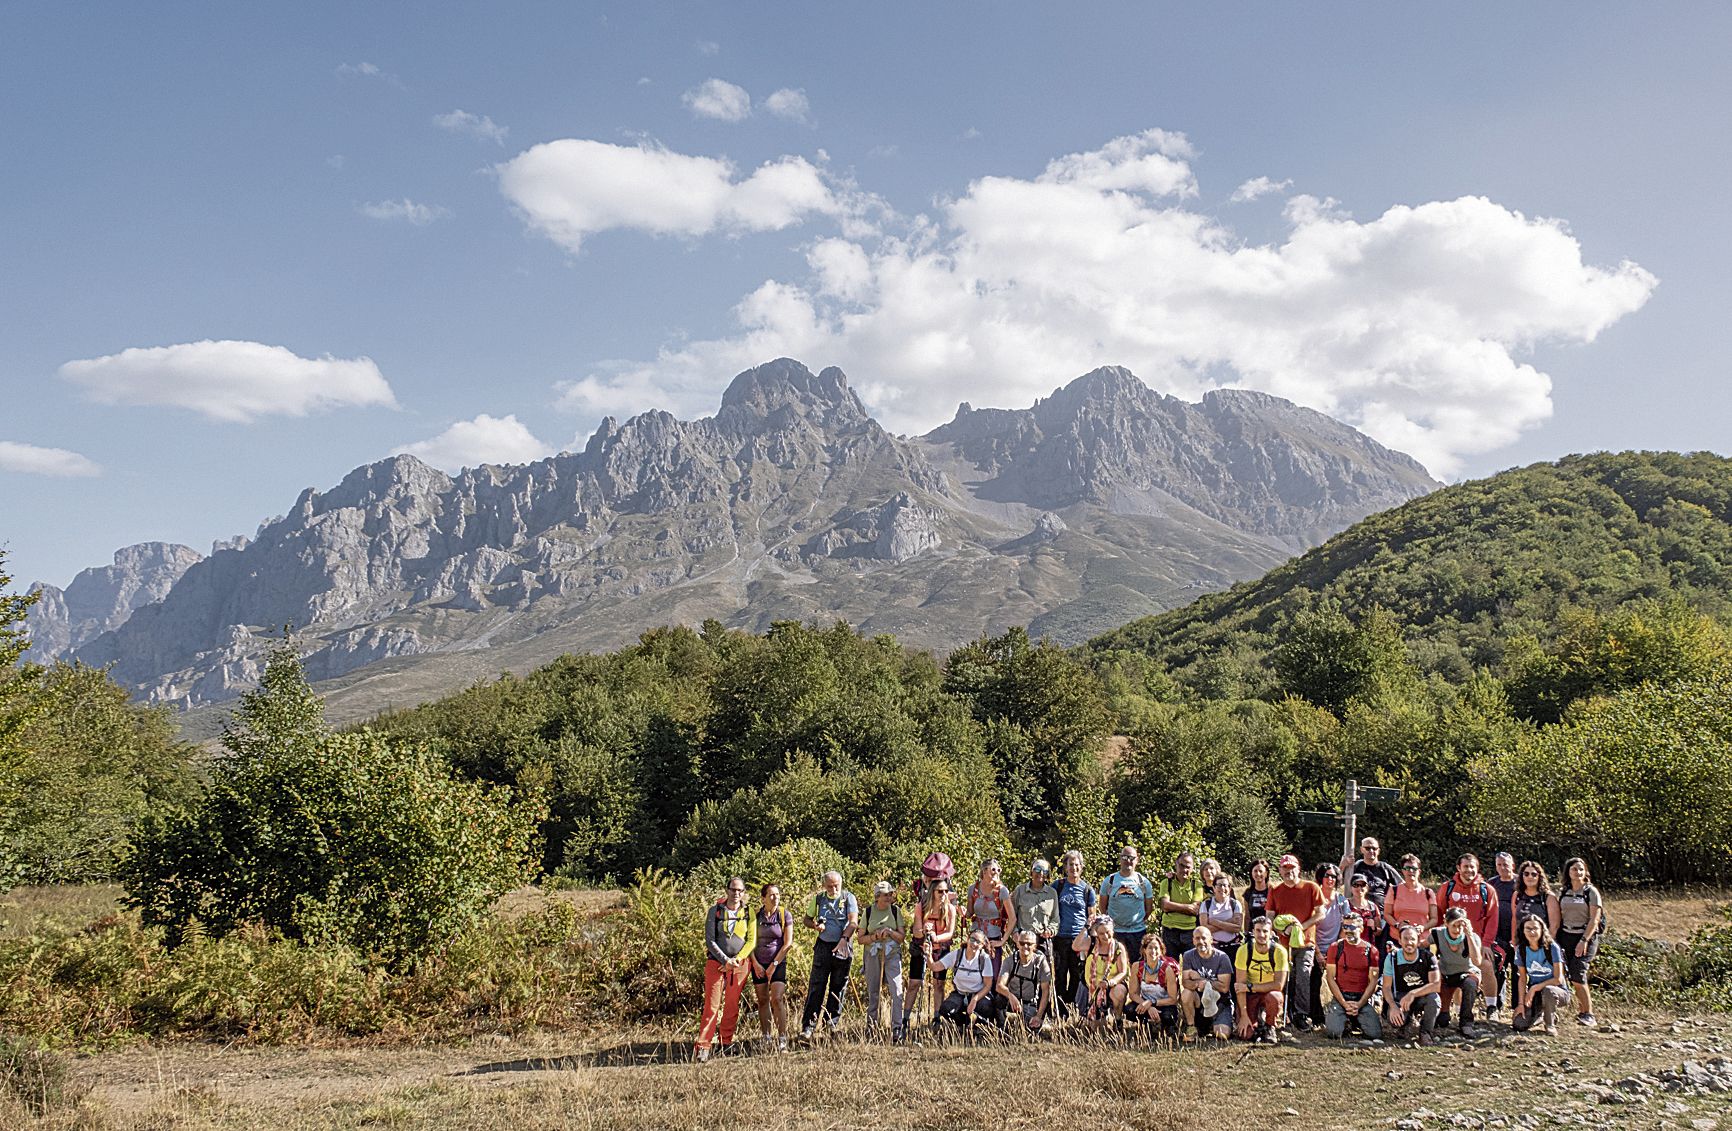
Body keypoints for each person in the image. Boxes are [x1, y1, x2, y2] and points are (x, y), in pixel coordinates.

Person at [696, 876, 756, 1062]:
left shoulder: (749, 912)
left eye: (740, 890)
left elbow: (751, 940)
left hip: (739, 965)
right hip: (716, 963)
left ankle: (726, 1042)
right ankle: (703, 1046)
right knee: (711, 1005)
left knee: (732, 1005)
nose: (736, 893)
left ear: (744, 892)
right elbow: (710, 940)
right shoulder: (715, 911)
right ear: (727, 890)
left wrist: (736, 960)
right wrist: (725, 960)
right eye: (733, 889)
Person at [1266, 853, 1325, 1031]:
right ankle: (1283, 1013)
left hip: (1305, 943)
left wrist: (1300, 927)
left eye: (1292, 868)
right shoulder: (1275, 891)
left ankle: (1301, 1015)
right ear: (1280, 870)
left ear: (1298, 869)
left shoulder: (1311, 887)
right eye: (1285, 868)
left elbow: (1320, 913)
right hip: (1282, 944)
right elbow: (1270, 916)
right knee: (1285, 979)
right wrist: (1281, 930)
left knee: (1303, 978)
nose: (1288, 871)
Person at [800, 870, 859, 1039]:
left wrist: (844, 939)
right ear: (824, 886)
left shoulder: (848, 898)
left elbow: (853, 922)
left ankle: (831, 1025)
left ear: (841, 884)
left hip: (843, 945)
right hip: (823, 946)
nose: (833, 889)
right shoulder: (819, 899)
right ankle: (808, 1027)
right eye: (829, 886)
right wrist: (815, 925)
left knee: (838, 987)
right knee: (816, 986)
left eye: (836, 886)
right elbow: (806, 919)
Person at [1437, 854, 1499, 1010]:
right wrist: (1441, 941)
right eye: (1465, 866)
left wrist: (1486, 943)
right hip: (1453, 940)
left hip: (1477, 942)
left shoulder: (1486, 889)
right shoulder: (1448, 888)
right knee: (1456, 971)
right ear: (1458, 868)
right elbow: (1439, 914)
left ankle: (1491, 1008)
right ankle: (1458, 1009)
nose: (1469, 870)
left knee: (1487, 967)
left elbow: (1492, 918)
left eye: (1472, 867)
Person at [904, 875, 957, 1031]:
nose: (944, 894)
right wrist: (924, 931)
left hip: (940, 948)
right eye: (940, 891)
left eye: (946, 891)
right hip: (921, 947)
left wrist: (935, 937)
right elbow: (916, 931)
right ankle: (905, 1019)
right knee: (914, 983)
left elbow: (950, 933)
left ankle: (936, 1019)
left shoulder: (950, 909)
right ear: (933, 892)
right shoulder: (921, 906)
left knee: (939, 984)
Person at [1556, 857, 1604, 1028]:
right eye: (1574, 869)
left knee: (1578, 973)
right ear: (1568, 872)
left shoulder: (1591, 892)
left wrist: (1584, 940)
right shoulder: (1563, 892)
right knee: (1566, 974)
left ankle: (1588, 1013)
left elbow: (1595, 919)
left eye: (1581, 869)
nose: (1578, 872)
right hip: (1565, 935)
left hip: (1585, 937)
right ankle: (1578, 1011)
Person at [749, 882, 796, 1052]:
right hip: (758, 963)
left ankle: (782, 1038)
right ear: (763, 898)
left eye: (777, 894)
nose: (775, 898)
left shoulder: (784, 914)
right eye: (771, 895)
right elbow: (748, 942)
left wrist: (774, 965)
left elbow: (788, 943)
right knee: (762, 1000)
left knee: (777, 998)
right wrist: (755, 963)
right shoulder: (755, 916)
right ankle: (766, 1037)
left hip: (778, 961)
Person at [1323, 912, 1382, 1040]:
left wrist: (1360, 1004)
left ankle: (1357, 1021)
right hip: (1341, 996)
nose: (1348, 930)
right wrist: (1344, 1003)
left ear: (1361, 929)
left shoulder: (1371, 951)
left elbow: (1373, 981)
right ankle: (1345, 1022)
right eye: (1345, 927)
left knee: (1374, 1034)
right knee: (1333, 1033)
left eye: (1352, 927)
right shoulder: (1335, 947)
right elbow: (1330, 978)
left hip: (1362, 997)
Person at [1052, 850, 1096, 1019]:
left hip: (1080, 939)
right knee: (1060, 974)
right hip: (1060, 937)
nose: (1074, 868)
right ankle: (1060, 1010)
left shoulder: (1087, 890)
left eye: (1077, 865)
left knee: (1077, 975)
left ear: (1081, 867)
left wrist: (1090, 935)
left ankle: (1072, 1006)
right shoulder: (1058, 886)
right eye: (1070, 865)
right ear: (1065, 867)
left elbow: (1092, 915)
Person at [860, 880, 907, 1040]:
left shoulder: (895, 911)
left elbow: (901, 937)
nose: (889, 897)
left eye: (890, 894)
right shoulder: (868, 912)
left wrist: (890, 932)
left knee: (896, 990)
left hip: (892, 953)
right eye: (885, 894)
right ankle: (871, 1027)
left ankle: (897, 1029)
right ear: (877, 896)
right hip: (873, 954)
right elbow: (860, 938)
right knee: (873, 992)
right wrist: (874, 937)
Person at [1382, 924, 1442, 1046]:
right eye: (1405, 939)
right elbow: (1386, 987)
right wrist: (1393, 1006)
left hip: (1421, 996)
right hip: (1400, 998)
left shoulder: (1428, 956)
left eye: (1413, 939)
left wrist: (1413, 994)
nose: (1409, 942)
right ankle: (1405, 1024)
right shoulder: (1392, 958)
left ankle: (1425, 1032)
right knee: (1394, 1021)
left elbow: (1436, 985)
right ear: (1399, 941)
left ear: (1418, 941)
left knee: (1434, 999)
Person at [1430, 907, 1486, 1039]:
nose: (1457, 930)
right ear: (1446, 923)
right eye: (1454, 926)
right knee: (1442, 1021)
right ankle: (1442, 1013)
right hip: (1446, 974)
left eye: (1460, 926)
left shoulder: (1472, 937)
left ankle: (1466, 1023)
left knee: (1470, 985)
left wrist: (1469, 935)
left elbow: (1477, 961)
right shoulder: (1437, 934)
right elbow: (1421, 945)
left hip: (1467, 973)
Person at [1234, 915, 1289, 1044]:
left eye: (1265, 931)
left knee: (1275, 997)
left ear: (1271, 933)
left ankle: (1270, 1026)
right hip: (1250, 995)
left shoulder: (1279, 951)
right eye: (1258, 930)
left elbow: (1278, 985)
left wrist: (1250, 987)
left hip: (1268, 993)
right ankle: (1257, 1022)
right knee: (1246, 1035)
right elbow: (1240, 987)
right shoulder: (1244, 950)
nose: (1261, 935)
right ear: (1253, 932)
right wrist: (1243, 1015)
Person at [1511, 914, 1570, 1036]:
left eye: (1535, 928)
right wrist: (1521, 1004)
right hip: (1536, 995)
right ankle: (1540, 1015)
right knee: (1519, 1024)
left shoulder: (1552, 947)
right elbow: (1522, 979)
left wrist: (1535, 988)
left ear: (1542, 929)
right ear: (1522, 931)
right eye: (1528, 928)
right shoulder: (1521, 950)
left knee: (1548, 991)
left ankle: (1550, 1024)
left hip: (1557, 992)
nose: (1532, 932)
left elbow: (1558, 979)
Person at [1179, 924, 1235, 1043]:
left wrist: (1202, 980)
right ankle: (1191, 1027)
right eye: (1197, 938)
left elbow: (1224, 988)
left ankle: (1215, 1023)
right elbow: (1185, 982)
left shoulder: (1222, 957)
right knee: (1186, 993)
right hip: (1200, 1001)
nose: (1201, 941)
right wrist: (1199, 984)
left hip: (1220, 1002)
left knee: (1222, 1034)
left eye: (1204, 938)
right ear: (1193, 941)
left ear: (1211, 939)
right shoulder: (1188, 955)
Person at [1309, 862, 1349, 1026]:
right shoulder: (1313, 899)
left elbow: (1345, 927)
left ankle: (1344, 1014)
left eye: (1333, 876)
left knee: (1344, 981)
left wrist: (1333, 950)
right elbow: (1310, 928)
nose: (1330, 879)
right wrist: (1318, 954)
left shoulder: (1341, 901)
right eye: (1327, 875)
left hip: (1336, 948)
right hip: (1314, 948)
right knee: (1313, 982)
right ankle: (1316, 1018)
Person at [935, 929, 998, 1034]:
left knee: (986, 1007)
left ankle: (979, 1028)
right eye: (972, 939)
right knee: (945, 1009)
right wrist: (928, 955)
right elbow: (935, 967)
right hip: (960, 993)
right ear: (968, 939)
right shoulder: (958, 954)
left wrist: (975, 1000)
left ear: (982, 945)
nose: (974, 944)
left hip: (978, 994)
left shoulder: (984, 958)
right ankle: (963, 1025)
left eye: (978, 942)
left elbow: (988, 985)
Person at [1099, 845, 1155, 961]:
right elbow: (1102, 907)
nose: (1128, 861)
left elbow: (1149, 909)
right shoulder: (1109, 881)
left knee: (1138, 965)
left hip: (1137, 932)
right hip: (1115, 932)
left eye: (1131, 858)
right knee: (1114, 965)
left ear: (1137, 860)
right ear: (1120, 859)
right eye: (1125, 857)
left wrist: (1136, 921)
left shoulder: (1144, 882)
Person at [996, 929, 1054, 1033]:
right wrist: (1011, 996)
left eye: (1029, 944)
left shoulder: (1040, 962)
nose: (1025, 946)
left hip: (1029, 1004)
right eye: (1022, 943)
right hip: (1010, 1002)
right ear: (1017, 944)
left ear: (1035, 946)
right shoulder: (1009, 960)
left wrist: (1038, 1015)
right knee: (998, 1001)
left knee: (1031, 1029)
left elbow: (1046, 991)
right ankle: (1002, 1028)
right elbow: (999, 986)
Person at [965, 859, 1017, 974]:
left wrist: (1002, 941)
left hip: (993, 939)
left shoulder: (1002, 891)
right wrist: (961, 911)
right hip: (975, 938)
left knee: (993, 974)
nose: (996, 872)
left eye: (999, 870)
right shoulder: (973, 889)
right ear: (984, 871)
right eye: (993, 869)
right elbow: (969, 913)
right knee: (973, 972)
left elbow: (1012, 918)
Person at [1080, 914, 1130, 1030]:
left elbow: (1123, 972)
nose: (1106, 936)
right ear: (1096, 933)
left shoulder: (1118, 947)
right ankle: (1098, 1018)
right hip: (1093, 986)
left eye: (1108, 932)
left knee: (1118, 993)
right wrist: (1086, 927)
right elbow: (1076, 946)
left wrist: (1111, 982)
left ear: (1113, 930)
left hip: (1112, 984)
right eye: (1101, 933)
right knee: (1097, 1029)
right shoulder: (1092, 943)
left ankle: (1118, 1019)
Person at [1128, 933, 1180, 1039]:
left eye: (1156, 948)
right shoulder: (1137, 967)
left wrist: (1152, 1002)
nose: (1153, 951)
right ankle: (1146, 1026)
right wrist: (1147, 1006)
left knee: (1168, 1016)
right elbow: (1132, 994)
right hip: (1145, 1003)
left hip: (1164, 1004)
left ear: (1161, 951)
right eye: (1150, 948)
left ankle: (1165, 1027)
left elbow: (1173, 999)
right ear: (1144, 950)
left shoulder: (1167, 969)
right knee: (1129, 1010)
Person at [1157, 851, 1207, 963]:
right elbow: (1165, 906)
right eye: (1181, 865)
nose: (1184, 869)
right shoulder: (1166, 882)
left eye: (1188, 867)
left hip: (1190, 932)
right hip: (1169, 931)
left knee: (1191, 967)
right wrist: (1187, 908)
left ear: (1192, 868)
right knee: (1170, 967)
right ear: (1176, 864)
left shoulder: (1197, 885)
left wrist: (1173, 906)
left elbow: (1195, 910)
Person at [1486, 852, 1520, 1017]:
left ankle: (1517, 1007)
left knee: (1518, 970)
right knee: (1498, 969)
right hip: (1497, 935)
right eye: (1499, 865)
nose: (1502, 868)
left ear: (1512, 865)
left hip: (1518, 934)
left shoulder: (1520, 882)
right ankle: (1497, 1006)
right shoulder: (1491, 884)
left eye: (1505, 864)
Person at [1383, 853, 1440, 948]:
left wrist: (1423, 927)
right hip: (1398, 940)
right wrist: (1398, 925)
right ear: (1402, 871)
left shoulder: (1428, 893)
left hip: (1421, 941)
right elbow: (1387, 914)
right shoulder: (1394, 890)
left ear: (1419, 871)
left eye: (1414, 868)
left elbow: (1434, 919)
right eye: (1407, 868)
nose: (1411, 871)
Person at [1011, 858, 1059, 965]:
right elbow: (1012, 916)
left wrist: (1050, 930)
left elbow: (1055, 919)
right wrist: (1014, 933)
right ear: (1031, 871)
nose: (1040, 873)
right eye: (1037, 869)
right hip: (1023, 940)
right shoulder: (1020, 890)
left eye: (1045, 871)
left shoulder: (1052, 893)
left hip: (1042, 941)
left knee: (1044, 973)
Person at [1510, 860, 1561, 951]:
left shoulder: (1548, 897)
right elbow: (1514, 919)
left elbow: (1554, 926)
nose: (1530, 877)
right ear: (1521, 876)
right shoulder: (1517, 895)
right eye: (1526, 874)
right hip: (1521, 944)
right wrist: (1514, 942)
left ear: (1539, 877)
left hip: (1543, 945)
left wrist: (1544, 946)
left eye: (1534, 874)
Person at [1341, 836, 1402, 909]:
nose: (1371, 851)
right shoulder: (1355, 867)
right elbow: (1338, 883)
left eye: (1374, 848)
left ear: (1378, 851)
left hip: (1381, 912)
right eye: (1368, 848)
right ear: (1361, 849)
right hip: (1359, 911)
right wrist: (1342, 866)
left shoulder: (1385, 868)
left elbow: (1402, 885)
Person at [1200, 872, 1243, 964]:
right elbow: (1204, 929)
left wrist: (1215, 922)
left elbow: (1237, 928)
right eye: (1219, 885)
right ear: (1214, 888)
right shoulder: (1206, 904)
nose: (1222, 888)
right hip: (1213, 947)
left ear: (1229, 888)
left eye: (1225, 885)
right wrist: (1230, 922)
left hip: (1233, 946)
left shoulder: (1235, 904)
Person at [1344, 873, 1385, 942]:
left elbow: (1379, 932)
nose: (1359, 888)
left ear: (1367, 888)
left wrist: (1374, 928)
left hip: (1367, 946)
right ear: (1351, 888)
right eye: (1356, 885)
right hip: (1349, 945)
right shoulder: (1345, 905)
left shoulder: (1372, 907)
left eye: (1363, 885)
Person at [1242, 859, 1274, 934]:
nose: (1258, 874)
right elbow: (1247, 916)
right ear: (1251, 873)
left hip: (1268, 932)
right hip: (1253, 932)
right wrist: (1246, 934)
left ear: (1266, 873)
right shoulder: (1248, 892)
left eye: (1260, 871)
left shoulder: (1272, 891)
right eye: (1255, 871)